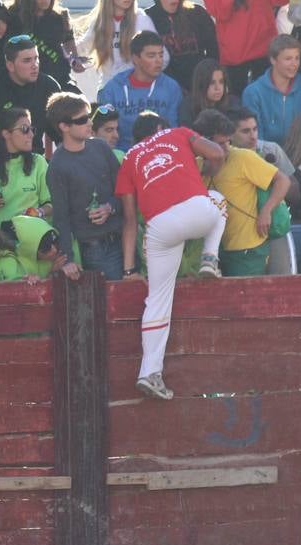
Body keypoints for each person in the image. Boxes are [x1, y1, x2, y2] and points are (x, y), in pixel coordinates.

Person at [114, 123, 227, 399]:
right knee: (219, 199)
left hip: (159, 226)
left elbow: (129, 221)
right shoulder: (176, 132)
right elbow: (217, 154)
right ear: (161, 127)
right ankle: (210, 258)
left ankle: (150, 372)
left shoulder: (129, 158)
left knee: (158, 300)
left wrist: (129, 269)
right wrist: (206, 173)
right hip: (196, 210)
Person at [193, 109, 292, 275]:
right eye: (220, 144)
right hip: (213, 250)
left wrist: (266, 211)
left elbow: (283, 180)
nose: (226, 148)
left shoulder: (243, 157)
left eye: (228, 142)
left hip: (247, 249)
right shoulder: (195, 165)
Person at [47, 91, 125, 278]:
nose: (90, 123)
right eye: (82, 120)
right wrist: (68, 259)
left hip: (123, 237)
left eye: (89, 117)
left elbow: (124, 191)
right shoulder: (57, 166)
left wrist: (110, 207)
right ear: (64, 126)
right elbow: (61, 217)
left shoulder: (101, 147)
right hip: (93, 248)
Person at [0, 34, 63, 159]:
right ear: (10, 65)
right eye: (27, 60)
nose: (35, 65)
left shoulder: (49, 87)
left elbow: (61, 135)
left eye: (36, 58)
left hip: (34, 162)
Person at [96, 31, 182, 152]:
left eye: (161, 55)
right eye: (151, 56)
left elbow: (172, 131)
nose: (159, 61)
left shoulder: (171, 87)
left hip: (159, 153)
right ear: (136, 58)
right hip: (121, 155)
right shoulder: (113, 88)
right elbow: (104, 133)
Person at [241, 35, 301, 145]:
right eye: (288, 59)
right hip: (265, 156)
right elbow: (256, 136)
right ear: (273, 60)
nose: (294, 64)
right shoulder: (253, 93)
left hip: (299, 156)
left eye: (297, 58)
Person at [75, 0, 156, 95]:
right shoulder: (99, 22)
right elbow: (81, 47)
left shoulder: (141, 19)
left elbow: (161, 55)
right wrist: (72, 57)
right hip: (108, 89)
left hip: (136, 91)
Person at [209, 0, 284, 95]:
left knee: (268, 97)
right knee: (237, 101)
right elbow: (220, 12)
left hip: (264, 48)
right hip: (236, 55)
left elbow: (282, 2)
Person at [143, 0, 217, 90]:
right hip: (165, 87)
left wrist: (207, 78)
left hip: (199, 86)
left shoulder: (197, 13)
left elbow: (214, 50)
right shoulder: (147, 18)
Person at [12, 0, 80, 91]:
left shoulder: (60, 17)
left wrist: (75, 60)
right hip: (28, 81)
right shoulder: (15, 16)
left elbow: (69, 42)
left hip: (60, 78)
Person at [230, 107, 295, 179]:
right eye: (246, 131)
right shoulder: (224, 155)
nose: (253, 136)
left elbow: (292, 182)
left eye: (255, 129)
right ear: (230, 134)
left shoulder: (272, 149)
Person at [6, 213, 76, 278]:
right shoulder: (17, 265)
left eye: (55, 241)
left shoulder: (67, 246)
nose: (54, 250)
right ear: (32, 251)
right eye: (45, 248)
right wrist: (52, 273)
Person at [182, 58, 237, 129]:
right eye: (212, 83)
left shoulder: (233, 103)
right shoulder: (188, 106)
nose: (218, 88)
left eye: (221, 82)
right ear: (201, 84)